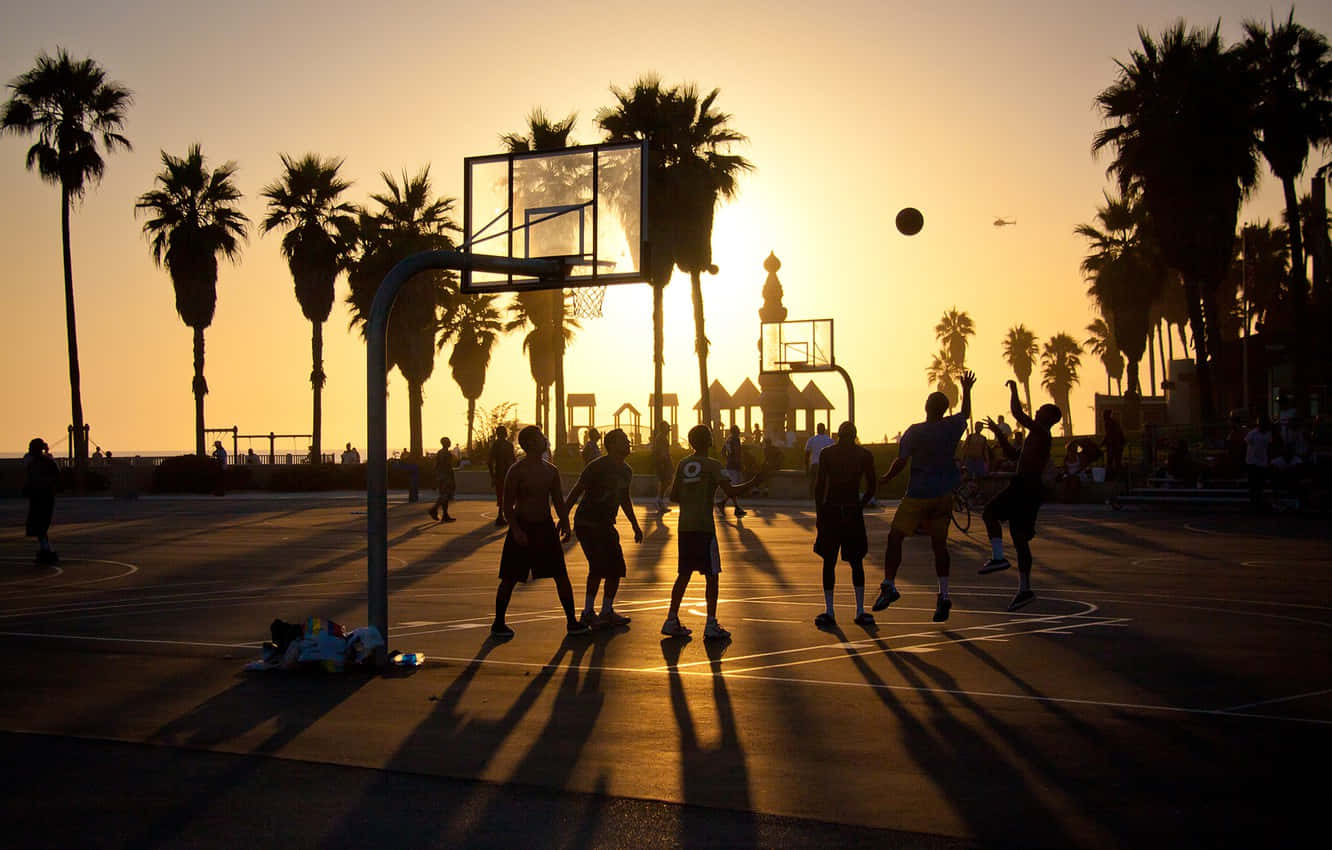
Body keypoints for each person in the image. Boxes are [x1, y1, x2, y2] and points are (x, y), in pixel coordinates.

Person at [875, 371, 975, 623]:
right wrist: (967, 390)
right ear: (944, 409)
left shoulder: (915, 432)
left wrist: (885, 479)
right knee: (939, 545)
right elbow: (965, 414)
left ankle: (889, 584)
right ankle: (943, 594)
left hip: (919, 493)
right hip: (943, 495)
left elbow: (901, 462)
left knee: (895, 536)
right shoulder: (951, 427)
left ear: (926, 407)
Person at [492, 426, 589, 638]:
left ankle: (571, 622)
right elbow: (508, 507)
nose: (544, 440)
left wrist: (565, 522)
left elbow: (557, 500)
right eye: (539, 438)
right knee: (509, 578)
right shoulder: (516, 471)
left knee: (561, 575)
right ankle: (498, 623)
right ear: (529, 444)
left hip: (544, 528)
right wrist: (516, 530)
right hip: (523, 526)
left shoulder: (551, 471)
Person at [662, 425, 757, 639]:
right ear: (710, 441)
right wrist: (755, 482)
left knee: (683, 574)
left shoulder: (683, 464)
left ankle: (671, 618)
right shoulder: (713, 465)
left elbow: (674, 496)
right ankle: (711, 623)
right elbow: (731, 491)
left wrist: (692, 493)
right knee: (712, 575)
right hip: (704, 527)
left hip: (685, 526)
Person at [979, 379, 1062, 611]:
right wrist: (1000, 435)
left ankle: (998, 557)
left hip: (1026, 486)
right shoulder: (1035, 437)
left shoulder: (1042, 432)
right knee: (1019, 537)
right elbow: (1014, 456)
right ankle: (1024, 589)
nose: (1035, 412)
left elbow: (1017, 413)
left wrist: (1014, 389)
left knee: (989, 513)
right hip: (1028, 488)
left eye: (1040, 411)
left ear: (1048, 418)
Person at [566, 428, 642, 629]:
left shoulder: (626, 471)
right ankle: (588, 612)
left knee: (616, 569)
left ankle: (607, 610)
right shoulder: (597, 467)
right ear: (612, 445)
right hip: (588, 523)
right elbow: (577, 490)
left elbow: (624, 498)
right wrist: (564, 518)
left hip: (607, 524)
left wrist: (635, 525)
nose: (628, 442)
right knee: (598, 567)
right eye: (624, 440)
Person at [813, 421, 877, 628]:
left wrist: (820, 512)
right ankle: (859, 609)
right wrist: (860, 505)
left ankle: (830, 610)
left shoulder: (827, 454)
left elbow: (819, 486)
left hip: (832, 509)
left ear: (838, 435)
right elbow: (872, 485)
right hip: (851, 510)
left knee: (829, 561)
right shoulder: (863, 455)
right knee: (856, 562)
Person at [23, 437, 61, 565]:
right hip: (45, 497)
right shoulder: (47, 461)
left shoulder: (35, 463)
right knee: (41, 527)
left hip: (41, 497)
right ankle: (46, 549)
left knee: (40, 527)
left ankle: (46, 551)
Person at [487, 425, 516, 528]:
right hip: (507, 473)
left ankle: (501, 515)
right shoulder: (508, 445)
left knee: (501, 495)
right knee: (508, 495)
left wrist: (492, 476)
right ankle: (503, 516)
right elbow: (513, 460)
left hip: (499, 473)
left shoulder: (495, 445)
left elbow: (489, 462)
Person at [1245, 414, 1273, 512]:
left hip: (1262, 462)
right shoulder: (1252, 433)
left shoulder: (1269, 434)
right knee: (1253, 484)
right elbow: (1248, 443)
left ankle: (1259, 503)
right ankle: (1253, 503)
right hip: (1252, 461)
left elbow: (1269, 447)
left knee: (1260, 484)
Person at [719, 426, 747, 518]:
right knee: (734, 487)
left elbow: (722, 452)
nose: (739, 432)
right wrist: (740, 463)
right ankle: (734, 507)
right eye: (738, 431)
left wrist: (728, 459)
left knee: (733, 488)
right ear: (736, 431)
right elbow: (738, 453)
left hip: (730, 466)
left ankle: (725, 504)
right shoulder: (735, 440)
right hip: (735, 467)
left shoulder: (728, 440)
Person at [429, 437, 457, 522]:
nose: (450, 442)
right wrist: (452, 479)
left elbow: (436, 466)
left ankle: (445, 514)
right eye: (448, 441)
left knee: (445, 496)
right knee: (445, 496)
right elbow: (448, 467)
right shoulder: (446, 453)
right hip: (445, 477)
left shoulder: (440, 452)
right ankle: (434, 509)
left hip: (440, 477)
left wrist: (435, 478)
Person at [804, 423, 834, 499]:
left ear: (817, 429)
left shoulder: (811, 439)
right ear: (825, 430)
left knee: (814, 482)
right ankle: (825, 497)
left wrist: (807, 467)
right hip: (826, 465)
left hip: (814, 464)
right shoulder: (830, 440)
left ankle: (813, 497)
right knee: (826, 483)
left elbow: (807, 454)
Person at [652, 421, 673, 514]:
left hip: (663, 462)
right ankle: (659, 500)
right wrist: (664, 463)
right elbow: (662, 452)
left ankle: (660, 500)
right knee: (666, 481)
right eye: (667, 427)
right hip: (663, 463)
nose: (669, 429)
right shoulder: (661, 438)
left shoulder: (662, 437)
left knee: (666, 481)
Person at [1101, 410, 1125, 479]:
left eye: (1104, 415)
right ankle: (1118, 475)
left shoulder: (1109, 423)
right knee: (1117, 461)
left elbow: (1109, 435)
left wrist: (1103, 443)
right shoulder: (1114, 423)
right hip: (1117, 445)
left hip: (1114, 445)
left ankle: (1113, 476)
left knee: (1112, 461)